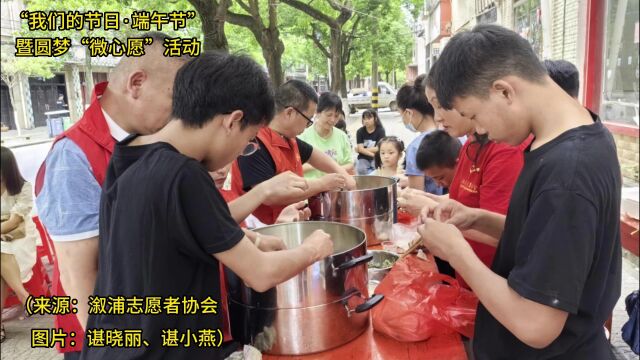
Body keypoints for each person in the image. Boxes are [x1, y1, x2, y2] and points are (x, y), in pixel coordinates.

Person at [82, 52, 334, 360]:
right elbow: (260, 273)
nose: (244, 150)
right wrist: (314, 248)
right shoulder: (185, 174)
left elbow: (177, 225)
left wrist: (250, 237)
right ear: (232, 121)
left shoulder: (131, 152)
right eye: (250, 140)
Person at [419, 24, 621, 359]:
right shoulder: (577, 135)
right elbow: (549, 244)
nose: (479, 130)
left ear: (503, 91)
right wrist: (477, 219)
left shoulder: (567, 172)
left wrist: (458, 253)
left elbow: (536, 325)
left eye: (474, 115)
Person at [34, 32, 192, 358]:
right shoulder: (73, 157)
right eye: (176, 100)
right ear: (136, 84)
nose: (182, 115)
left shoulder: (151, 140)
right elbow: (80, 278)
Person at [232, 80, 356, 225]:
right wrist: (322, 183)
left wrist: (342, 173)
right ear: (290, 112)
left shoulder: (288, 138)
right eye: (308, 119)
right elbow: (269, 195)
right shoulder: (255, 142)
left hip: (290, 221)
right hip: (262, 228)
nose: (308, 125)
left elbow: (314, 155)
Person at [1, 146, 37, 343]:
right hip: (3, 243)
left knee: (3, 256)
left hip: (20, 237)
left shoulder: (23, 187)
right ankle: (24, 296)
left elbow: (15, 222)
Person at [395, 75, 442, 194]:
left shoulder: (416, 147)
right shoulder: (454, 134)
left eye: (402, 115)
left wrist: (399, 193)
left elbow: (416, 196)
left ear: (409, 113)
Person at [299, 92, 355, 178]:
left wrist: (334, 171)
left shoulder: (342, 136)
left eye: (336, 116)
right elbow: (296, 167)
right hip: (311, 189)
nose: (332, 120)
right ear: (317, 112)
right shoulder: (302, 137)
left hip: (336, 188)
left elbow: (349, 164)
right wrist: (321, 164)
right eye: (329, 115)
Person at [355, 109, 386, 175]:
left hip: (377, 157)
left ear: (375, 118)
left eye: (369, 118)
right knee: (361, 170)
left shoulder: (380, 131)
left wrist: (362, 149)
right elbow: (360, 149)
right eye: (364, 119)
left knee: (376, 169)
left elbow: (379, 148)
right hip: (363, 157)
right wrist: (373, 155)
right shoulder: (360, 131)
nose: (366, 121)